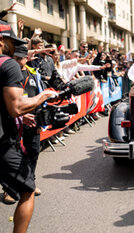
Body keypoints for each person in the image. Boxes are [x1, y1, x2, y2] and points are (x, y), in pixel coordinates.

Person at [0, 20, 57, 233]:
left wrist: (19, 117)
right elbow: (16, 106)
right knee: (28, 189)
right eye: (11, 42)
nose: (15, 48)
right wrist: (43, 95)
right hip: (4, 143)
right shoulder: (8, 64)